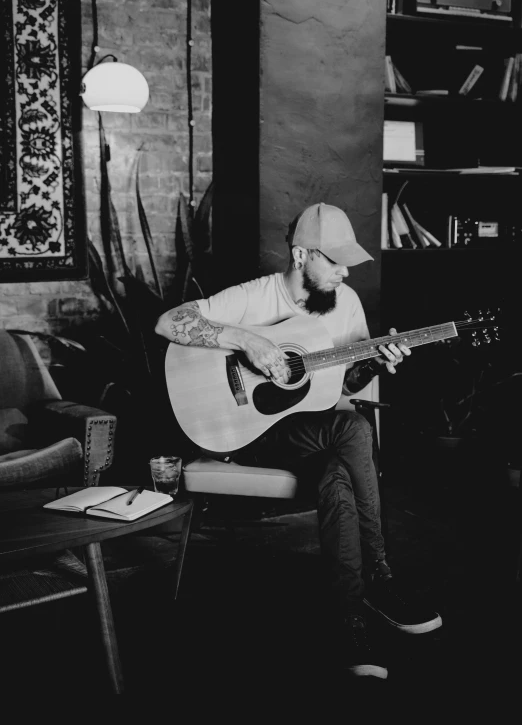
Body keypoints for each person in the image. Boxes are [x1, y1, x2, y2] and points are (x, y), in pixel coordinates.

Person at [155, 202, 442, 679]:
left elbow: (345, 387)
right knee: (354, 429)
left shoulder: (345, 301)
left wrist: (376, 362)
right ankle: (382, 579)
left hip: (309, 426)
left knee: (335, 470)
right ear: (301, 254)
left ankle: (349, 613)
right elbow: (169, 323)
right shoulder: (256, 295)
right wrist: (248, 341)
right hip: (246, 429)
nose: (345, 271)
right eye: (334, 260)